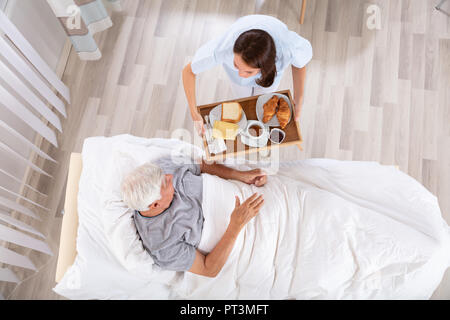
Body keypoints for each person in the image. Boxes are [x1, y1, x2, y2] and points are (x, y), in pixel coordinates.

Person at [120, 157, 267, 277]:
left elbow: (200, 164)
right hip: (246, 232)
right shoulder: (162, 244)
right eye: (166, 183)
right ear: (155, 205)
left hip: (249, 191)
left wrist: (240, 175)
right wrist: (236, 225)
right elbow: (208, 269)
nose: (170, 176)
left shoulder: (158, 170)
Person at [182, 14, 313, 135]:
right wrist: (194, 113)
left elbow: (300, 64)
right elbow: (188, 71)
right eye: (236, 65)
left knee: (263, 99)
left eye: (248, 71)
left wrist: (299, 99)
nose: (241, 74)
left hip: (270, 71)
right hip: (243, 46)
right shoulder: (223, 48)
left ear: (264, 67)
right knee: (243, 99)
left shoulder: (287, 49)